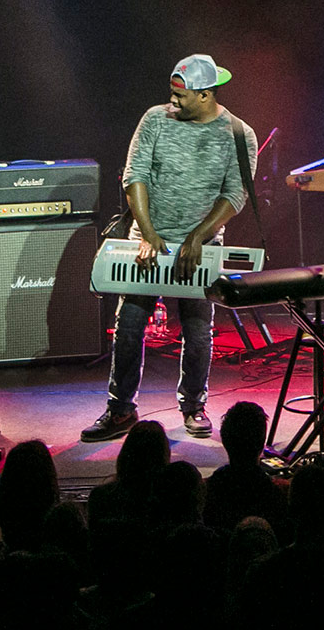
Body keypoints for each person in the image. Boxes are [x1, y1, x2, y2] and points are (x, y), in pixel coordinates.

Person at [83, 53, 255, 442]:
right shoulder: (156, 119)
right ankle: (120, 408)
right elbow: (134, 174)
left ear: (206, 94)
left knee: (197, 331)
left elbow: (235, 194)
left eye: (182, 96)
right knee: (129, 326)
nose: (173, 102)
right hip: (148, 241)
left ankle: (193, 405)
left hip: (201, 246)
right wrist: (146, 232)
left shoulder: (239, 135)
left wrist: (197, 237)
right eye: (171, 94)